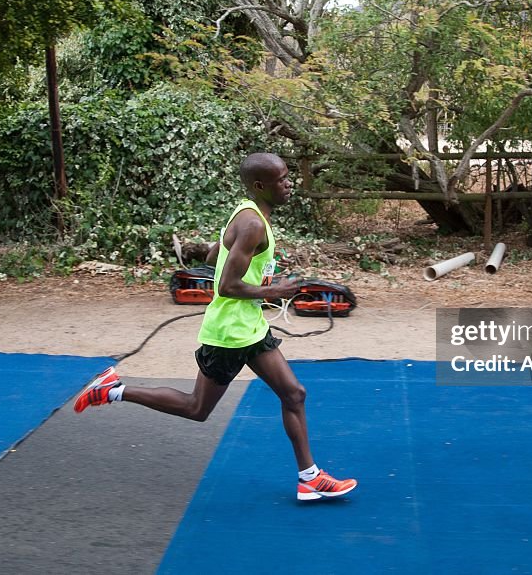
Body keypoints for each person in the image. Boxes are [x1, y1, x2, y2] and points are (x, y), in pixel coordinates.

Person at [73, 153, 357, 501]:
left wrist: (263, 275)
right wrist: (274, 290)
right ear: (259, 186)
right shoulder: (252, 224)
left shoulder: (246, 214)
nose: (288, 184)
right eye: (281, 179)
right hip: (229, 333)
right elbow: (225, 285)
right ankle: (113, 390)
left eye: (287, 176)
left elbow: (212, 257)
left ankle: (310, 478)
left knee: (294, 394)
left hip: (249, 326)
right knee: (197, 409)